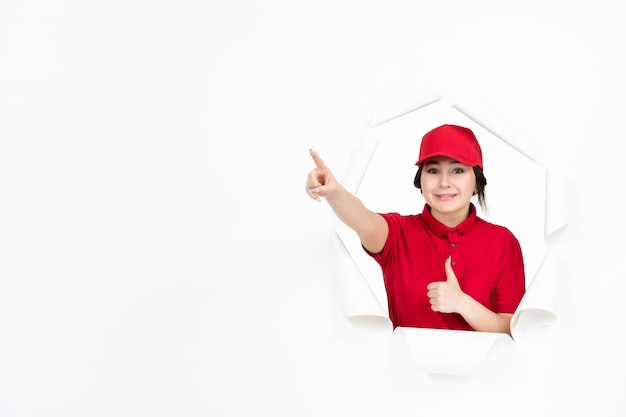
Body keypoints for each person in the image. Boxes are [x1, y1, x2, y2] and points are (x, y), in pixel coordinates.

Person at [306, 124, 525, 336]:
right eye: (433, 170)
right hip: (404, 372)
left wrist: (462, 304)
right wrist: (334, 193)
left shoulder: (503, 242)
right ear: (420, 180)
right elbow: (364, 220)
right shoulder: (398, 234)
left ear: (476, 182)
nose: (444, 182)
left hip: (486, 373)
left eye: (457, 170)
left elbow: (514, 330)